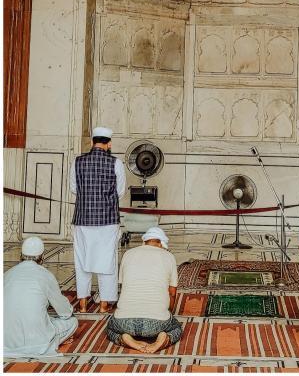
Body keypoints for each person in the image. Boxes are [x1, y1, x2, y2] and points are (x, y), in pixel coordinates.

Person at [70, 126, 126, 313]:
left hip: (82, 220)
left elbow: (73, 189)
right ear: (109, 143)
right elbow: (120, 192)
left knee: (82, 261)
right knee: (106, 261)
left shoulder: (77, 162)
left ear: (92, 141)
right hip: (107, 221)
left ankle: (84, 304)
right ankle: (104, 304)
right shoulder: (115, 163)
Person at [106, 226, 182, 353]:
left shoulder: (128, 254)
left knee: (110, 329)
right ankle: (162, 338)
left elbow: (122, 286)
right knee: (176, 329)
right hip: (157, 324)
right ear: (162, 243)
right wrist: (167, 313)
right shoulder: (169, 257)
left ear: (144, 241)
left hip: (124, 322)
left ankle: (125, 338)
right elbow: (172, 293)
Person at [4, 236, 78, 357]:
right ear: (42, 258)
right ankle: (55, 340)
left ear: (21, 255)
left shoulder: (7, 274)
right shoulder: (45, 275)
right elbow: (65, 312)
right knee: (72, 322)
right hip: (37, 343)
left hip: (5, 341)